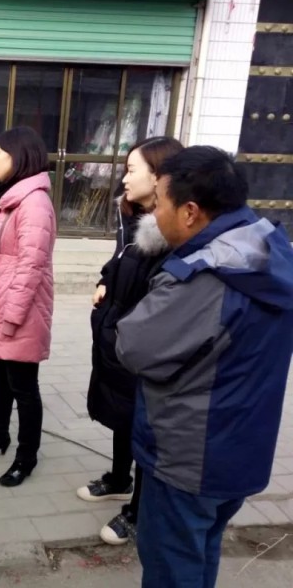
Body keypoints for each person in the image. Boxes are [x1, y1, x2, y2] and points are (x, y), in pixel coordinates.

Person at [116, 146, 293, 588]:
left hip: (190, 456)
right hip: (243, 449)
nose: (154, 213)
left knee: (172, 567)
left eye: (160, 202)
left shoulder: (206, 275)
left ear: (191, 212)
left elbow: (133, 346)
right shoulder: (269, 248)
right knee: (201, 552)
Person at [76, 137, 183, 544]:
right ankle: (120, 479)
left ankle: (139, 511)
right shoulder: (132, 217)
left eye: (132, 169)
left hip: (141, 343)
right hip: (117, 333)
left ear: (159, 178)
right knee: (122, 413)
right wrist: (106, 280)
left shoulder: (168, 233)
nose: (124, 177)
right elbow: (118, 262)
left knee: (143, 423)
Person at [0, 127, 56, 487]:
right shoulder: (12, 198)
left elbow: (31, 267)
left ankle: (26, 457)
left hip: (21, 310)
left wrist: (12, 317)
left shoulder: (34, 203)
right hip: (2, 302)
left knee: (23, 387)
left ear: (19, 158)